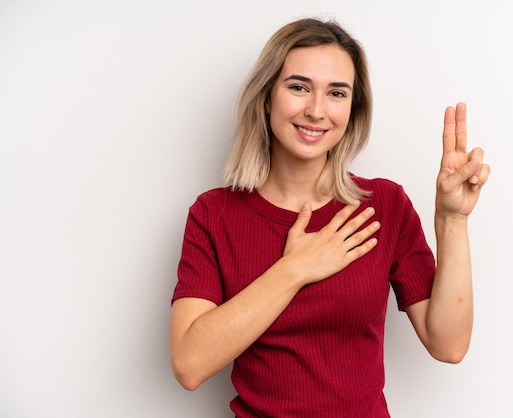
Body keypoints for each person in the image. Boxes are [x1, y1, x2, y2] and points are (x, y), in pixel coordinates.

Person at [169, 17, 490, 417]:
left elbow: (449, 345)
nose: (316, 110)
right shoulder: (213, 214)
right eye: (299, 87)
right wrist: (294, 269)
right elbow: (189, 364)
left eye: (336, 93)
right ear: (267, 96)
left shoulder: (384, 206)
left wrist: (453, 221)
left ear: (352, 109)